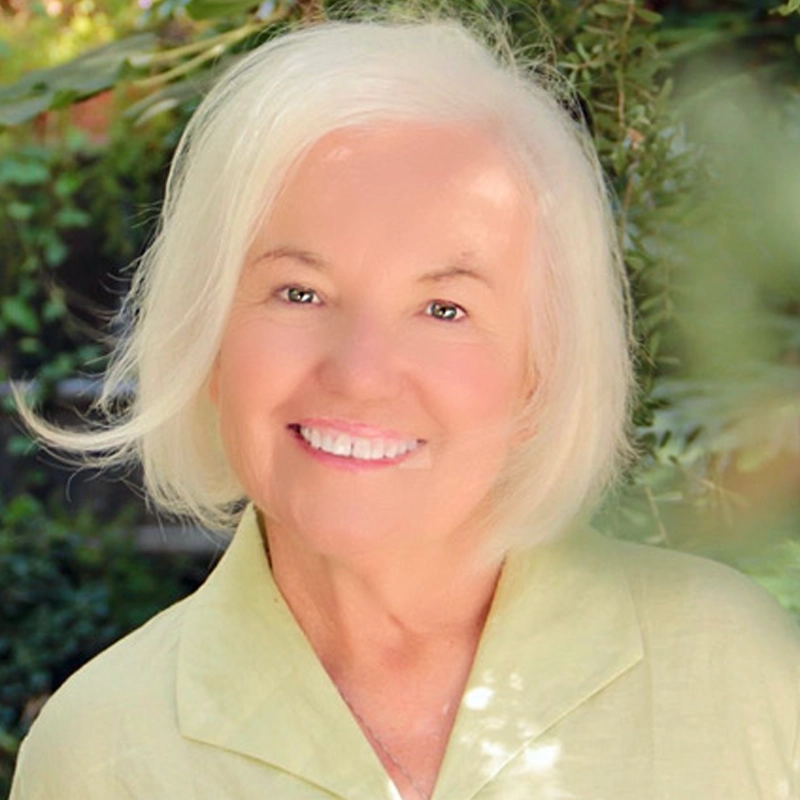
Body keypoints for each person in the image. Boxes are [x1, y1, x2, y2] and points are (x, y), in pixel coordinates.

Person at [9, 15, 800, 800]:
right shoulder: (99, 748)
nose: (359, 374)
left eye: (444, 309)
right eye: (300, 291)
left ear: (543, 370)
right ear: (207, 335)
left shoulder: (740, 672)